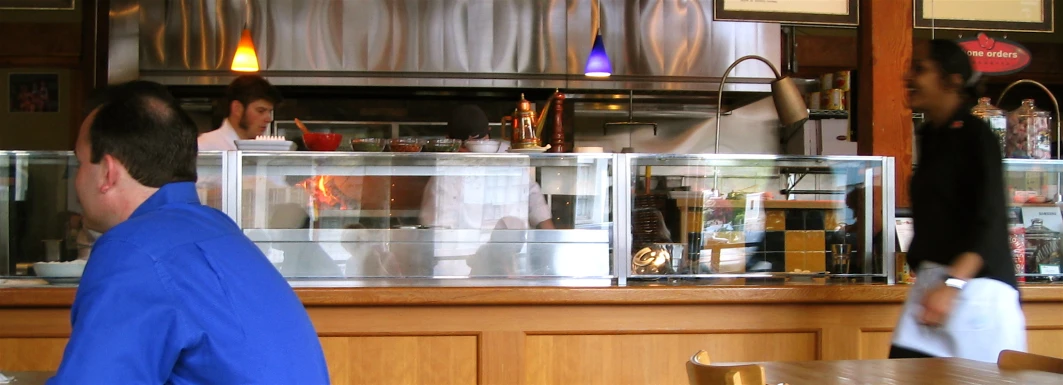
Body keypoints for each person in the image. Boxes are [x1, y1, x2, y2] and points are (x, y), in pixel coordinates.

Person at [47, 80, 329, 384]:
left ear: (107, 172)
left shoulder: (135, 250)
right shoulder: (218, 229)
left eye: (79, 163)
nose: (76, 180)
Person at [889, 39, 1025, 363]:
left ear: (951, 81)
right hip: (933, 288)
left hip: (977, 293)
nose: (909, 77)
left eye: (920, 69)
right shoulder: (931, 135)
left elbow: (990, 221)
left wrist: (952, 285)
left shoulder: (977, 137)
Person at [418, 105, 555, 276]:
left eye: (478, 142)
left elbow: (537, 208)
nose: (471, 150)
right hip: (464, 268)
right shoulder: (448, 173)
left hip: (510, 266)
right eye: (465, 145)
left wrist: (550, 257)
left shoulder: (511, 159)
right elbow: (438, 232)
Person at [198, 74, 282, 150]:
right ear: (237, 108)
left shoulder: (266, 149)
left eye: (269, 111)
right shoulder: (204, 146)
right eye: (260, 111)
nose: (269, 119)